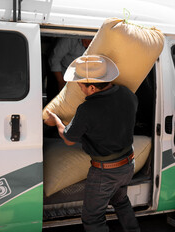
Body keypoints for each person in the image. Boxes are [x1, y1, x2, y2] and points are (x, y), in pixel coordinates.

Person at [44, 55, 140, 232]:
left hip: (106, 171)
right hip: (128, 162)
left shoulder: (87, 110)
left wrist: (56, 119)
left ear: (93, 87)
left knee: (92, 218)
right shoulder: (127, 94)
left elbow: (68, 138)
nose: (78, 87)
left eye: (80, 84)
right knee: (120, 200)